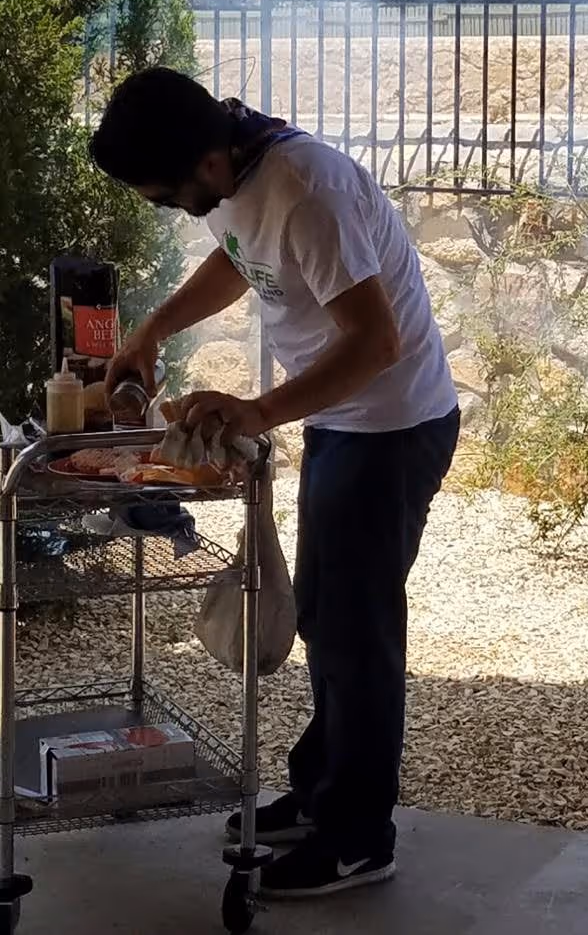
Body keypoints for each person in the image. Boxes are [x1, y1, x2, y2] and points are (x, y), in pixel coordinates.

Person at [90, 67, 460, 899]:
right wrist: (154, 327)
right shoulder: (235, 172)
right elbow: (239, 259)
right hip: (346, 421)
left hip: (393, 424)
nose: (169, 207)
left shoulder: (306, 191)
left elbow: (375, 344)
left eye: (165, 196)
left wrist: (256, 412)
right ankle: (326, 789)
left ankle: (361, 837)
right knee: (328, 612)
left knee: (358, 634)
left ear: (208, 164)